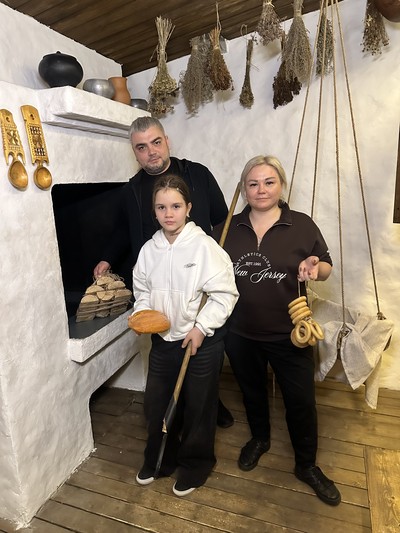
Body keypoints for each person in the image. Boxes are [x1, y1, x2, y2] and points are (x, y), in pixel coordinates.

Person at [213, 155, 341, 506]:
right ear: (244, 189)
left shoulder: (301, 225)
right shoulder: (226, 228)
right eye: (253, 183)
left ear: (281, 185)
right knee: (251, 392)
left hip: (290, 333)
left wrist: (316, 267)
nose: (261, 190)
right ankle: (260, 439)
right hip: (240, 333)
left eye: (269, 182)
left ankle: (306, 465)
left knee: (301, 402)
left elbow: (326, 266)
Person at [93, 116, 234, 428]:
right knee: (168, 356)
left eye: (156, 142)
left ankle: (210, 406)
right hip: (157, 288)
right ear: (135, 152)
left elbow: (222, 220)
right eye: (141, 147)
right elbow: (122, 230)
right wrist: (107, 258)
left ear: (167, 141)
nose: (151, 152)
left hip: (196, 282)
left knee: (201, 358)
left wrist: (220, 263)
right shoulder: (131, 190)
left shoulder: (197, 174)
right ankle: (181, 413)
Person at [131, 174, 238, 496]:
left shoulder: (205, 247)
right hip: (163, 340)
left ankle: (196, 465)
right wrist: (145, 314)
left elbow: (225, 295)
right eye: (161, 207)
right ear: (154, 211)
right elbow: (142, 291)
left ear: (188, 208)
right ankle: (161, 459)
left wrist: (201, 328)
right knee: (156, 403)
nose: (169, 213)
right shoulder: (149, 250)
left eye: (176, 206)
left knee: (198, 407)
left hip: (200, 342)